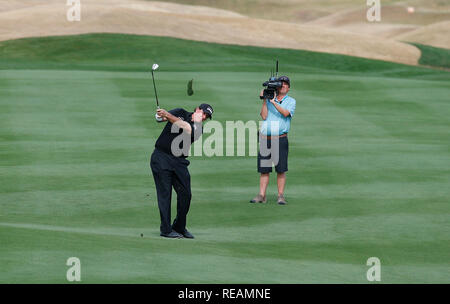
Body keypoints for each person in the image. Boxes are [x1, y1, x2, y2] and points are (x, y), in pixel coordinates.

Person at [150, 103, 214, 238]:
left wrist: (167, 115)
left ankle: (179, 227)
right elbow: (159, 118)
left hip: (179, 162)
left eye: (206, 117)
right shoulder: (180, 111)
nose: (203, 117)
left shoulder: (198, 129)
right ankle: (166, 229)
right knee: (165, 194)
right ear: (197, 109)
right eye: (203, 113)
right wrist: (160, 114)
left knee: (186, 194)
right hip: (161, 157)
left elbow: (185, 127)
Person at [250, 76, 296, 205]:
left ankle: (280, 196)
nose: (283, 86)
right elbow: (264, 115)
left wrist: (274, 102)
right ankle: (262, 195)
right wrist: (265, 100)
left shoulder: (291, 101)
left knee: (281, 170)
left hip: (280, 139)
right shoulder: (269, 100)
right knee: (264, 169)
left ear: (289, 88)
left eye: (286, 84)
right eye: (281, 84)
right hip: (265, 139)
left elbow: (285, 113)